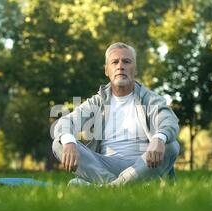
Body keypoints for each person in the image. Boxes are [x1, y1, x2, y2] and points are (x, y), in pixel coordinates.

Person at [52, 42, 180, 186]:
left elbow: (168, 119)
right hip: (105, 165)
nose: (120, 66)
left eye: (126, 61)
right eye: (115, 62)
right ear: (107, 70)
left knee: (171, 145)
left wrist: (159, 138)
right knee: (59, 142)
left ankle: (105, 187)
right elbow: (65, 122)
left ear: (135, 70)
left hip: (143, 165)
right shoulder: (98, 101)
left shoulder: (150, 99)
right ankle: (119, 185)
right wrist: (69, 142)